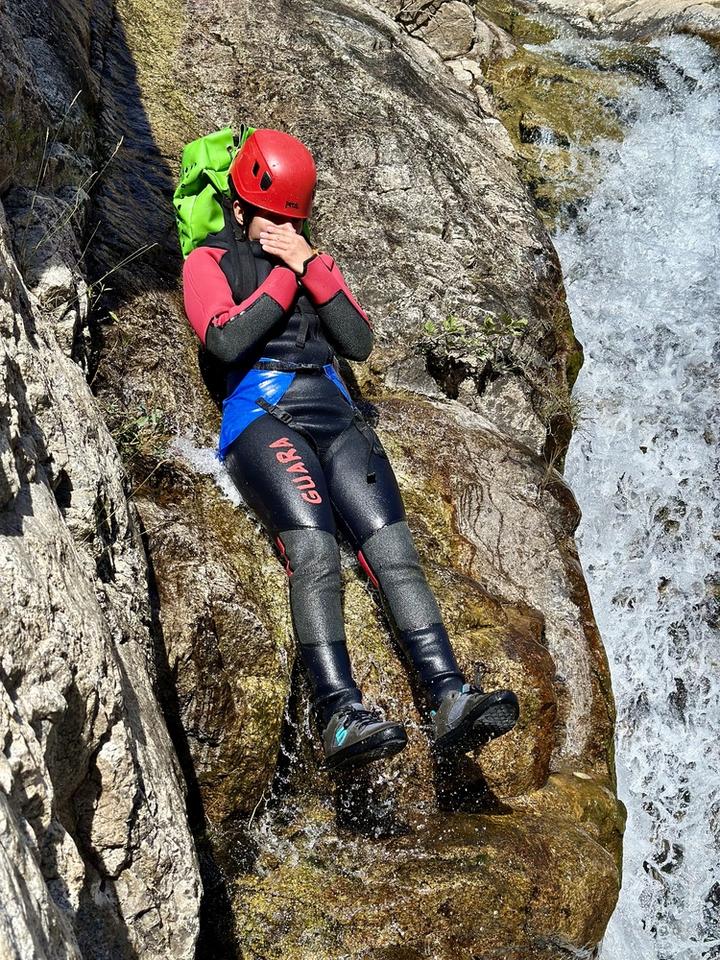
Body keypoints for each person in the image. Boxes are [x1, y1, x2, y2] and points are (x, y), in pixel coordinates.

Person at [182, 128, 519, 771]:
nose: (282, 226)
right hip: (263, 415)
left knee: (395, 553)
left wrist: (311, 266)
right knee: (312, 552)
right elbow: (224, 341)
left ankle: (449, 696)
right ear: (240, 207)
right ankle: (338, 711)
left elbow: (357, 340)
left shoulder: (317, 261)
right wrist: (285, 275)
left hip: (338, 418)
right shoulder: (208, 263)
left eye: (293, 218)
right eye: (272, 217)